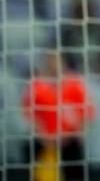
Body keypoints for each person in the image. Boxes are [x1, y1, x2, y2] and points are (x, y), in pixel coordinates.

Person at [22, 52, 95, 181]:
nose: (54, 65)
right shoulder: (36, 85)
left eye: (57, 61)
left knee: (75, 165)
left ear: (63, 63)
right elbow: (29, 114)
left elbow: (87, 114)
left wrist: (70, 135)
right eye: (51, 61)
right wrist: (43, 135)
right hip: (43, 140)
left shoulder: (75, 84)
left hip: (69, 140)